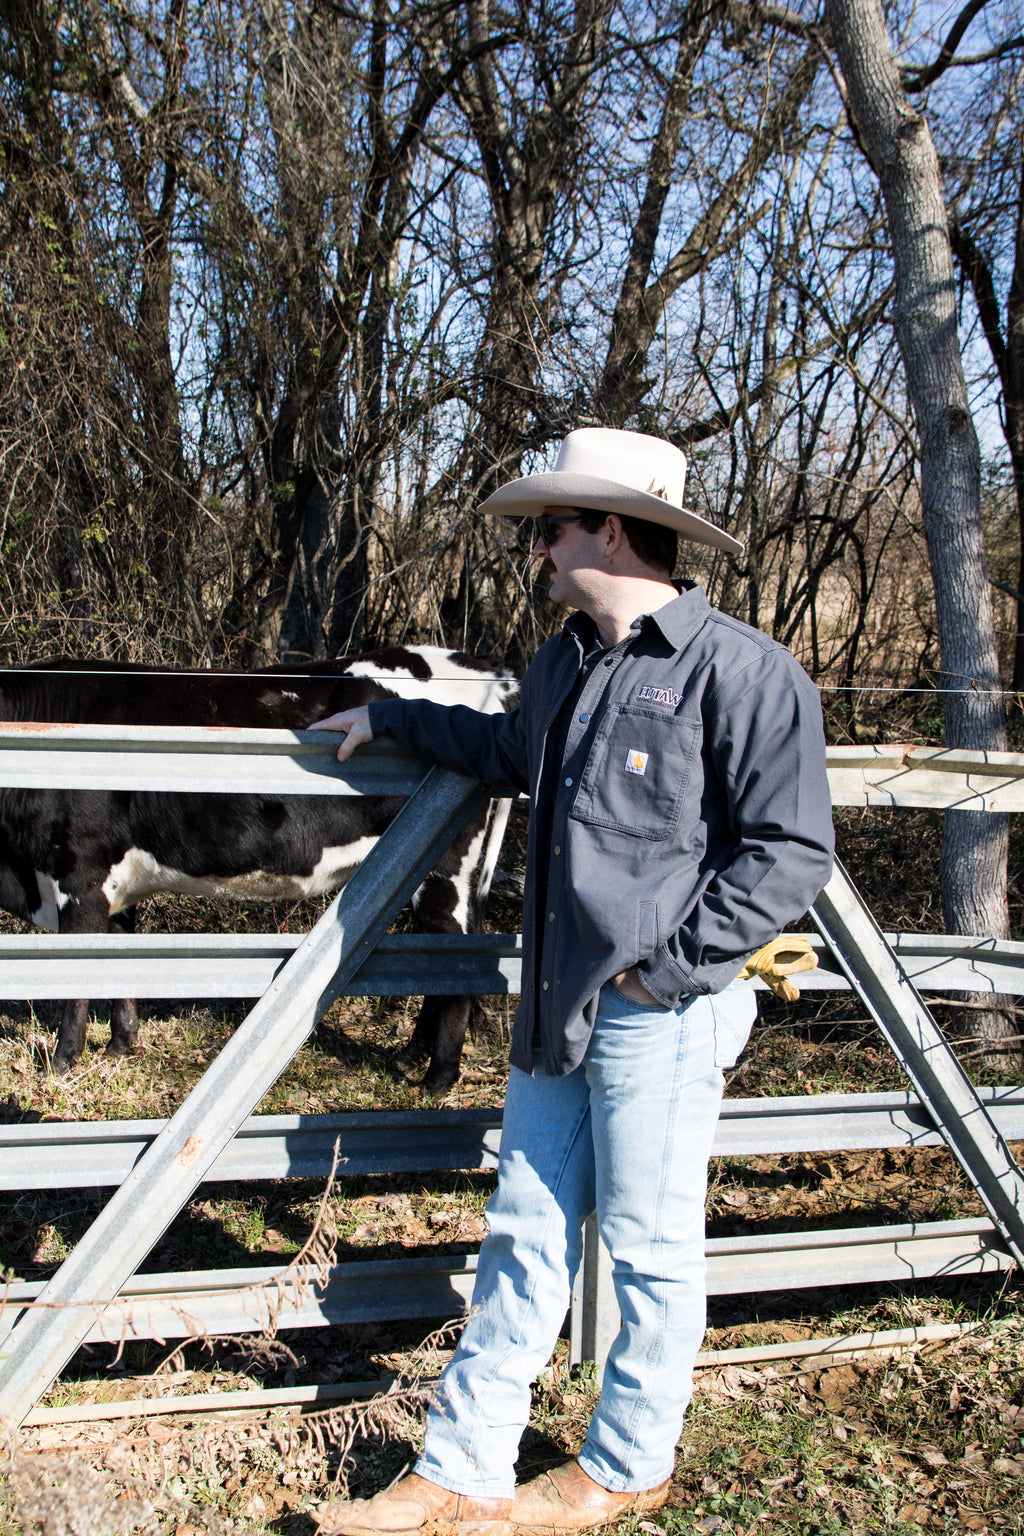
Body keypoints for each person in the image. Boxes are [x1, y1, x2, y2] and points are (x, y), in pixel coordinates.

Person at [308, 428, 835, 1536]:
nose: (537, 549)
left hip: (660, 1014)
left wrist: (665, 971)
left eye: (550, 526)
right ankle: (462, 1467)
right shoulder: (564, 664)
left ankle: (628, 1464)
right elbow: (509, 753)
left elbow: (788, 854)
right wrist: (389, 715)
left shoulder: (741, 669)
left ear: (609, 525)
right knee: (523, 1229)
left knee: (647, 1247)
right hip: (555, 1004)